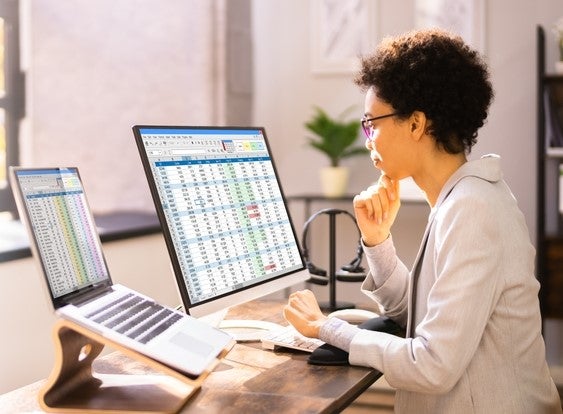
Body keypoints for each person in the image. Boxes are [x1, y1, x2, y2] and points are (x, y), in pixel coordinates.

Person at [284, 29, 562, 413]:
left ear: (416, 124)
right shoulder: (459, 200)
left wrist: (326, 328)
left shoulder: (472, 209)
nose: (369, 139)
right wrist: (379, 243)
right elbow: (421, 318)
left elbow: (432, 366)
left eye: (372, 123)